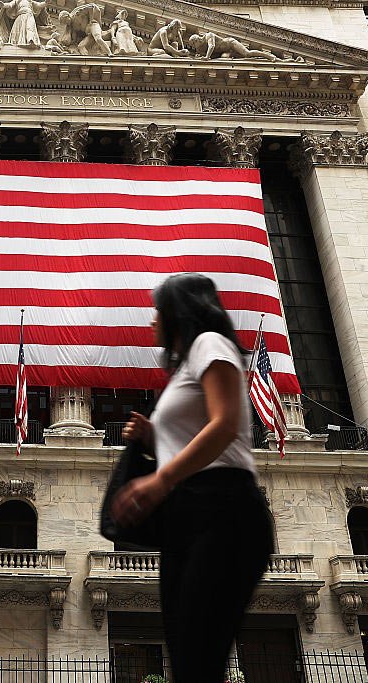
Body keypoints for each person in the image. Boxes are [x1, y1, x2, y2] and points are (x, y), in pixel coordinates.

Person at [111, 273, 273, 683]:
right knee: (188, 658)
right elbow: (195, 435)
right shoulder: (184, 368)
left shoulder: (210, 344)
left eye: (157, 310)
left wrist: (160, 480)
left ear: (178, 314)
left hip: (223, 509)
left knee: (199, 657)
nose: (151, 321)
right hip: (189, 516)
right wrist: (152, 437)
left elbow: (223, 426)